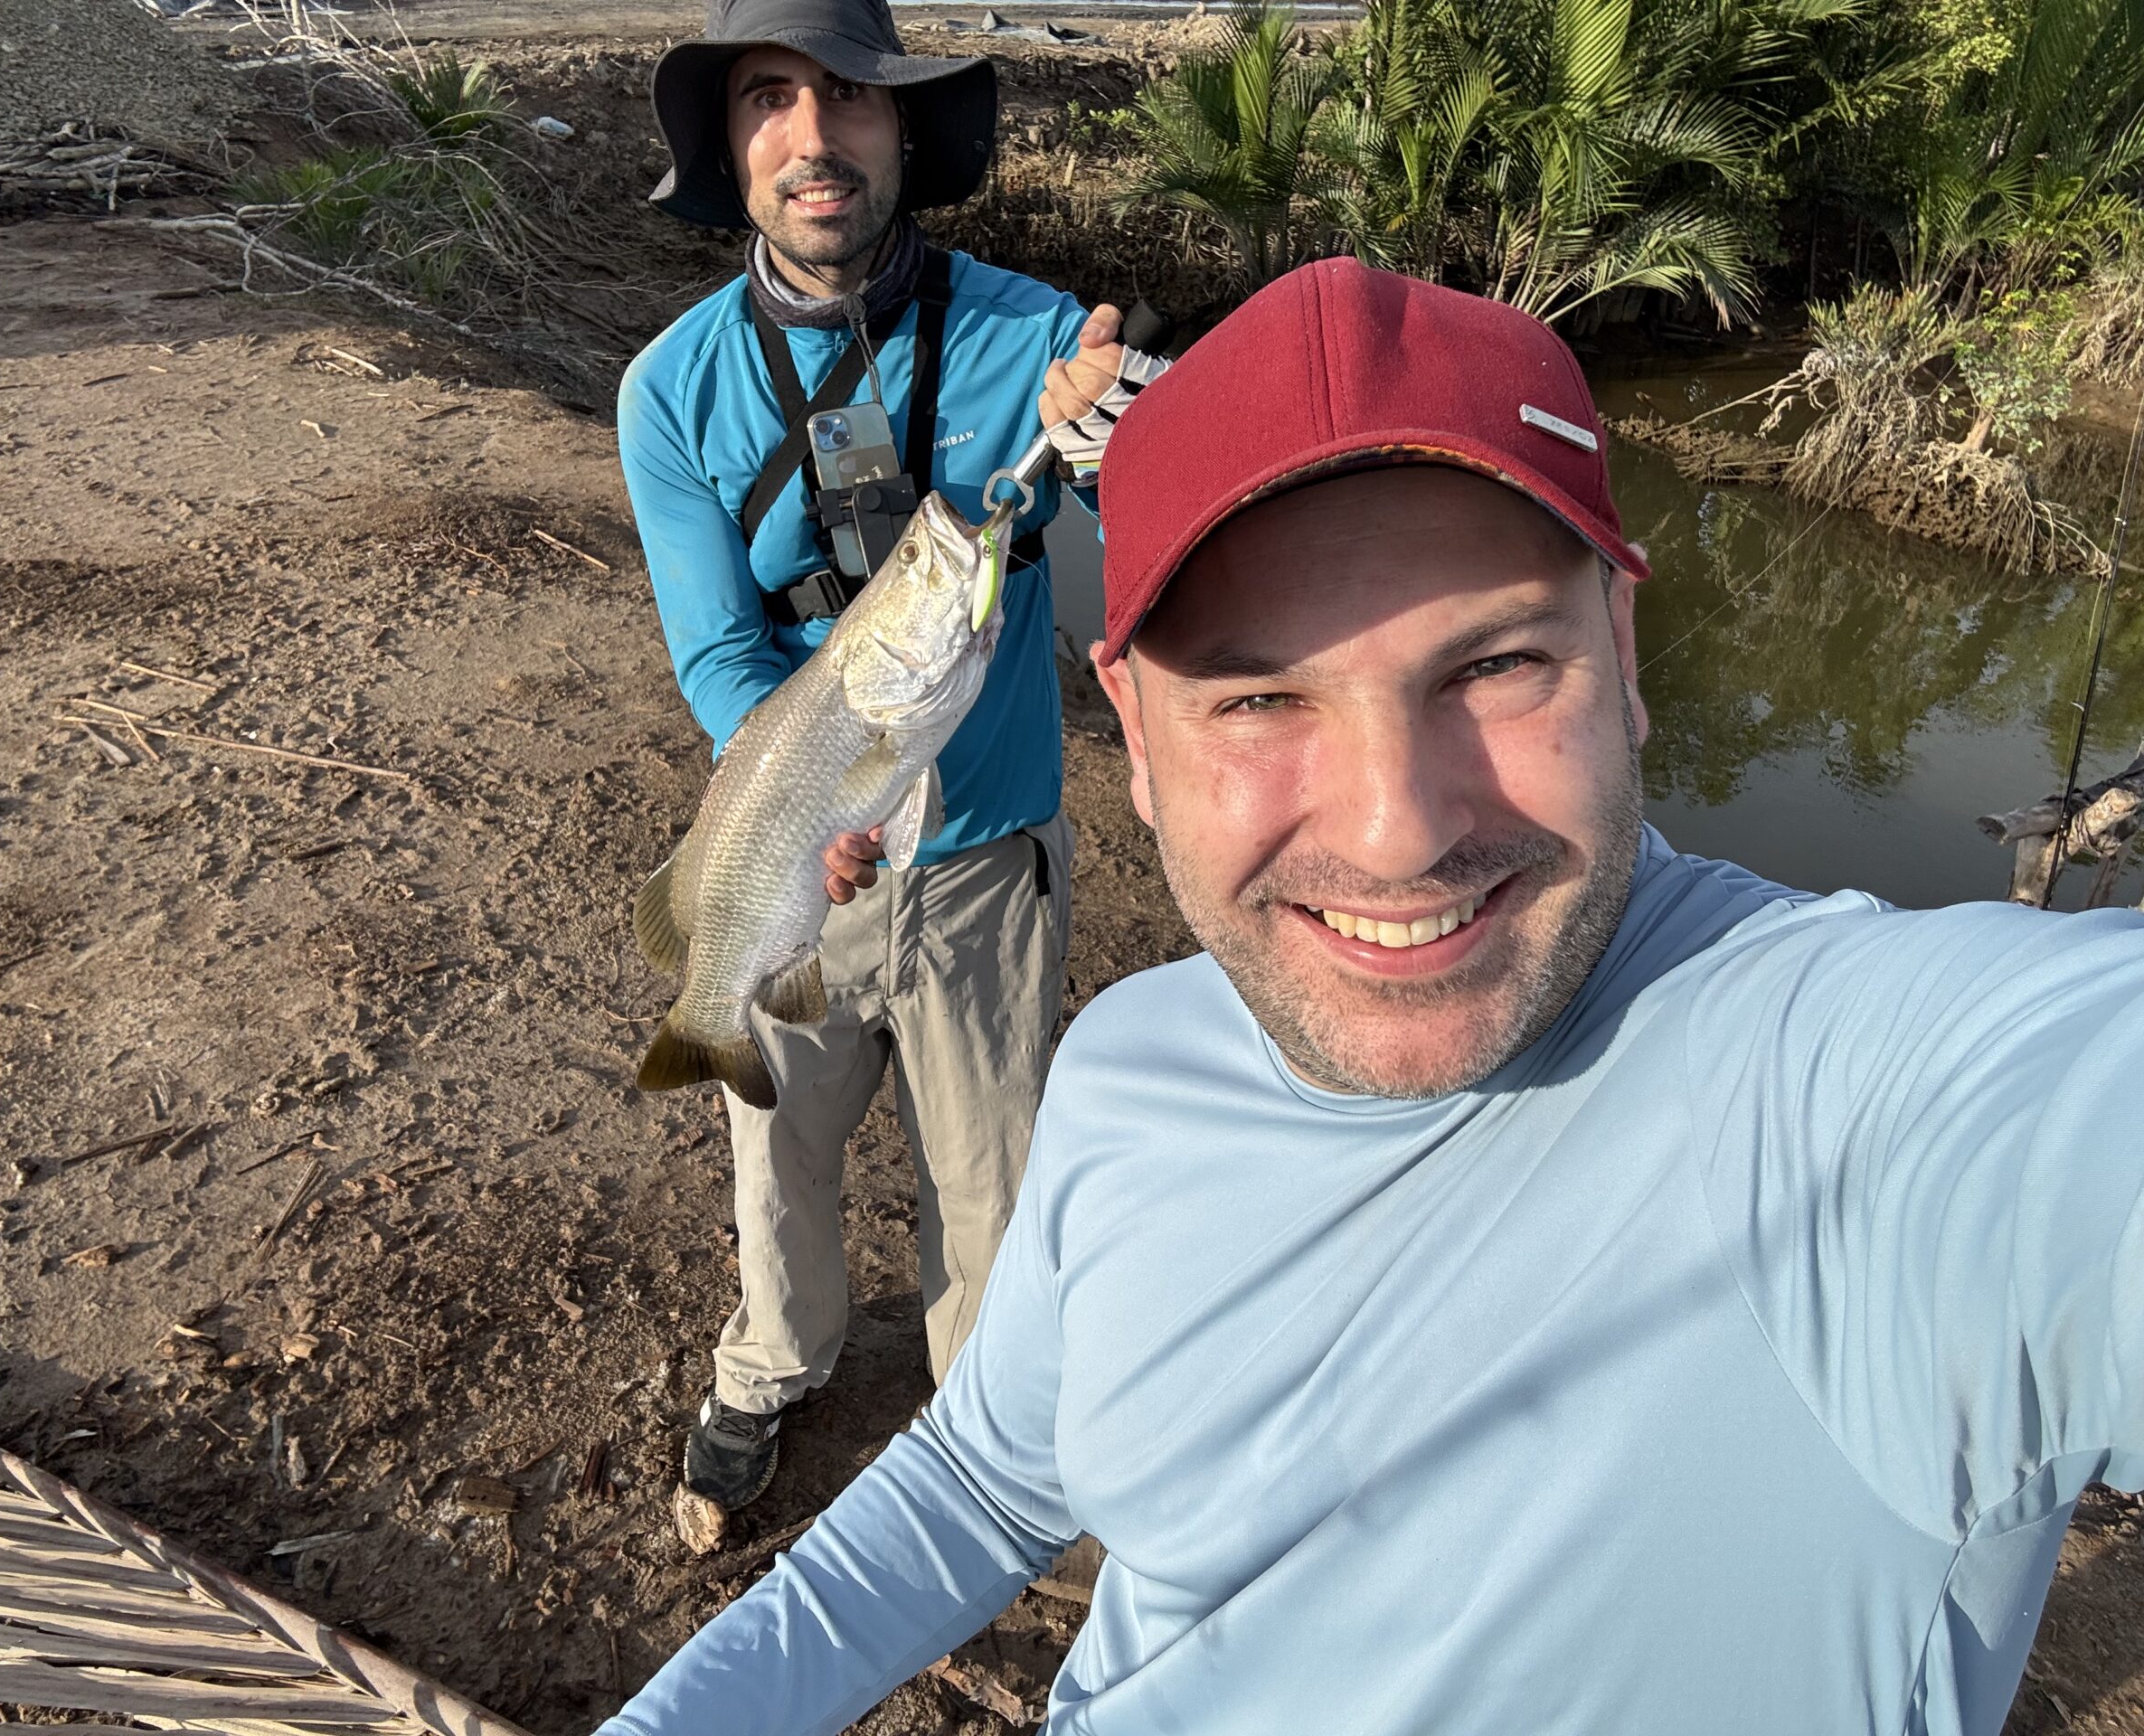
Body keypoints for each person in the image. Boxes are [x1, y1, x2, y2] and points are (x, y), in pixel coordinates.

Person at [594, 256, 2144, 1734]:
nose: (1397, 831)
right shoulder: (1132, 1064)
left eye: (1494, 667)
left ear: (1625, 642)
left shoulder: (1860, 1103)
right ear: (1130, 732)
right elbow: (987, 1483)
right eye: (1261, 696)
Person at [618, 0, 1149, 1514]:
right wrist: (804, 806)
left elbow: (1149, 507)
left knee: (991, 1176)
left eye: (849, 94)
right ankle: (772, 1366)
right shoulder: (669, 390)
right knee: (773, 1165)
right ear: (730, 149)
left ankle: (984, 1423)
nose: (812, 134)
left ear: (902, 127)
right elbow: (724, 657)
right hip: (792, 845)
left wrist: (1118, 430)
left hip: (988, 855)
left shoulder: (1038, 335)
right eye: (769, 99)